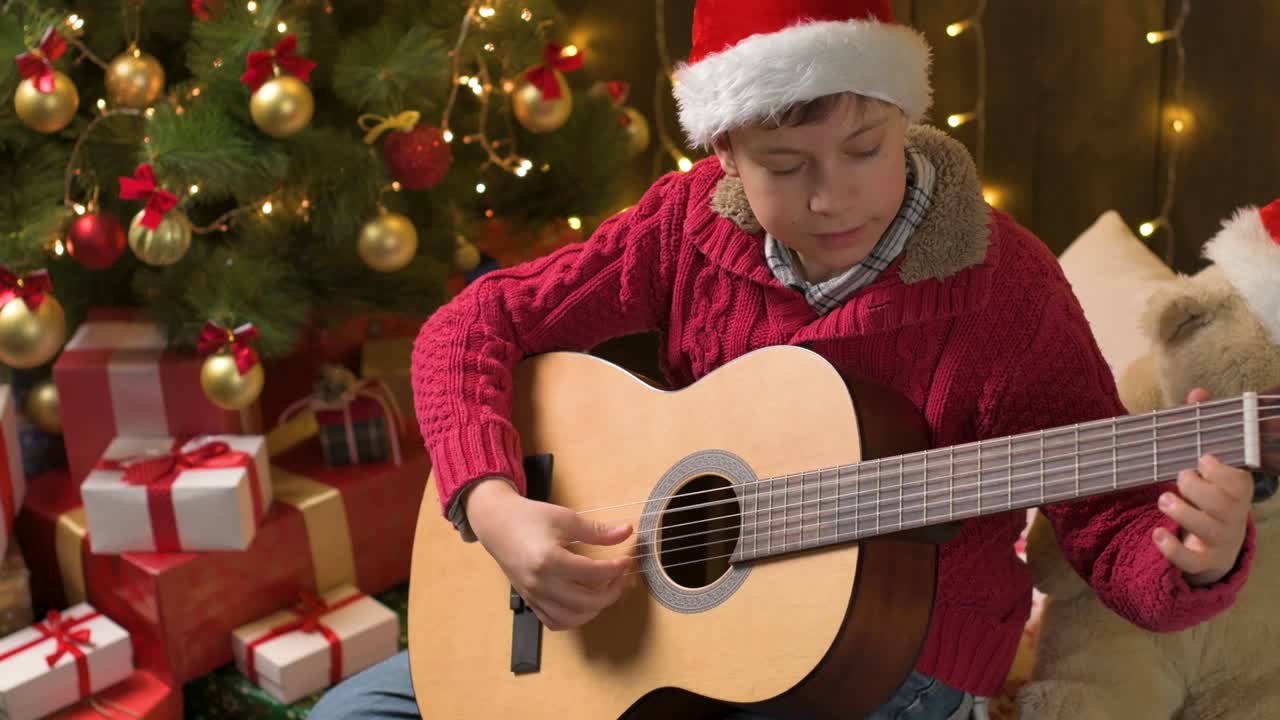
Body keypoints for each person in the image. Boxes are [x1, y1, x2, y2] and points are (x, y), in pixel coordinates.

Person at [310, 1, 1257, 718]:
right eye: (786, 166)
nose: (834, 197)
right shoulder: (682, 229)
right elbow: (467, 329)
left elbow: (1105, 525)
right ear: (724, 151)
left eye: (866, 147)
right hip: (647, 621)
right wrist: (495, 504)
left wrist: (1195, 560)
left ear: (905, 113)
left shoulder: (1005, 289)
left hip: (895, 668)